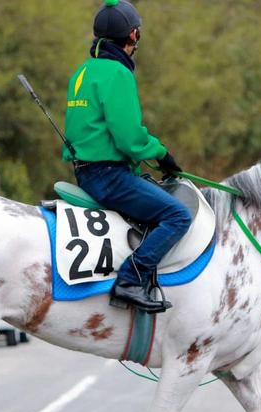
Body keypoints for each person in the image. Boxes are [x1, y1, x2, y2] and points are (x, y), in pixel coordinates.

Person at [63, 0, 192, 313]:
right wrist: (162, 155)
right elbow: (130, 137)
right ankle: (131, 280)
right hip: (109, 176)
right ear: (133, 36)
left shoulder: (83, 71)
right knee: (178, 216)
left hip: (86, 170)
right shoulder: (117, 73)